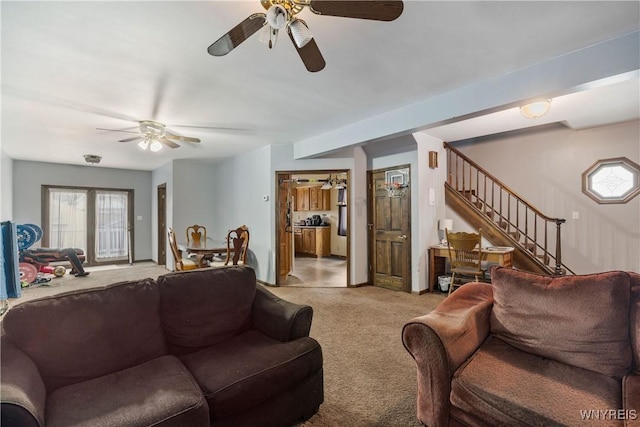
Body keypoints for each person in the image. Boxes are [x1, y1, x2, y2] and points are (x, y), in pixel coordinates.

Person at [21, 247, 90, 277]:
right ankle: (80, 272)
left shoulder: (27, 251)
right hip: (56, 253)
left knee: (81, 253)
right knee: (70, 250)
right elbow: (44, 262)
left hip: (56, 251)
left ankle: (75, 270)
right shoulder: (26, 254)